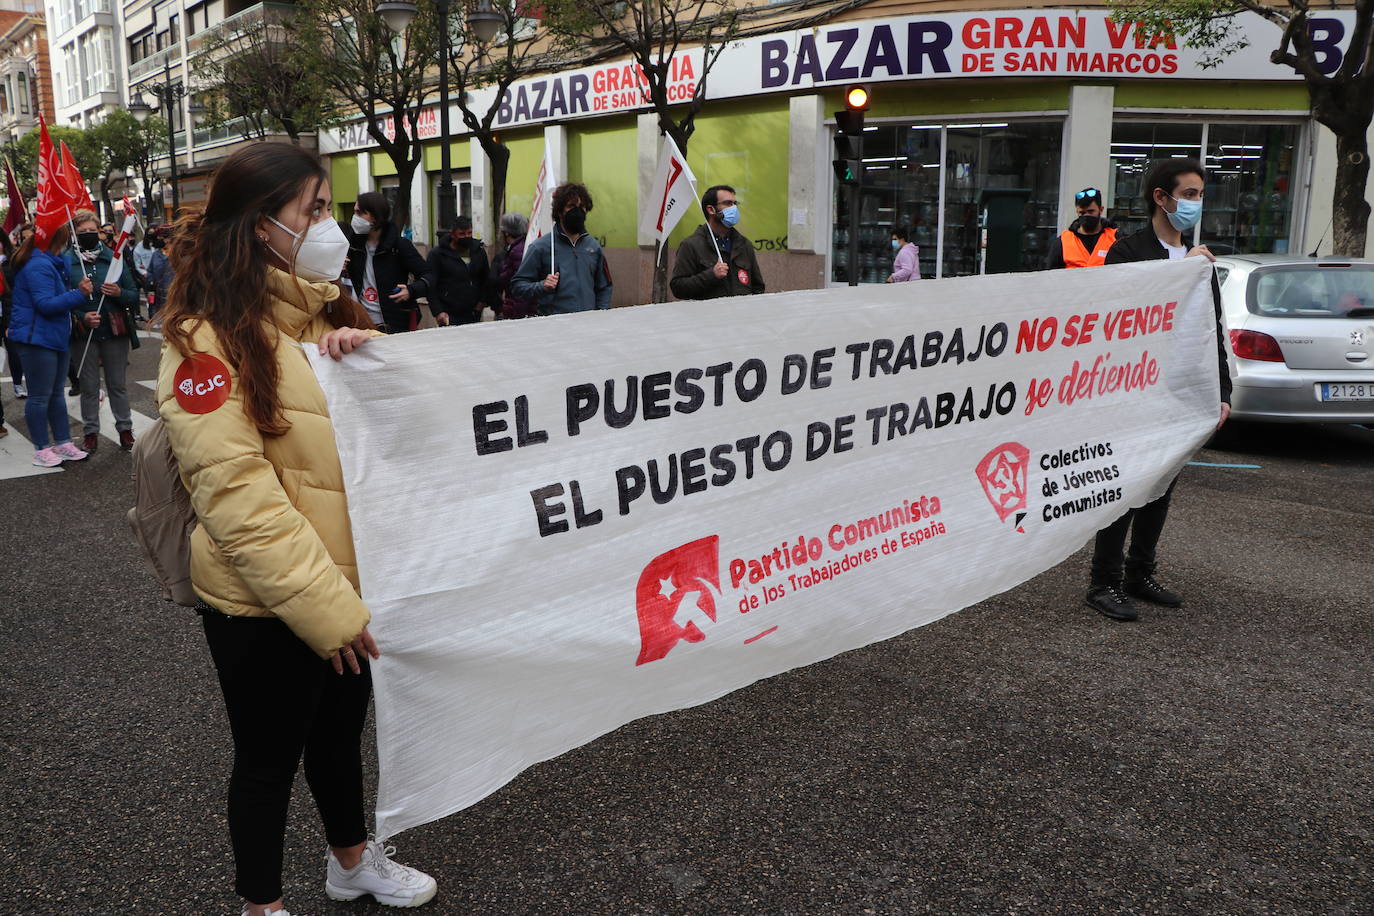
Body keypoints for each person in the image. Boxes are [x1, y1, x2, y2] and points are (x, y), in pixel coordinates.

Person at [157, 144, 437, 916]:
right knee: (267, 761)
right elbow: (236, 499)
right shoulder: (201, 343)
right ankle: (263, 904)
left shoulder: (325, 311)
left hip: (347, 583)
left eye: (329, 208)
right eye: (313, 210)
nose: (331, 226)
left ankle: (351, 864)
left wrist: (369, 357)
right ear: (261, 227)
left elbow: (405, 429)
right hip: (264, 602)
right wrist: (325, 608)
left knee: (339, 739)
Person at [1086, 158, 1232, 623]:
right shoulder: (1128, 252)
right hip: (1133, 391)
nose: (1195, 203)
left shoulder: (1199, 260)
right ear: (1160, 197)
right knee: (1126, 486)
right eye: (1188, 194)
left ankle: (1139, 572)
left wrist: (1222, 390)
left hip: (1180, 391)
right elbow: (1120, 318)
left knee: (1161, 486)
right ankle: (1103, 581)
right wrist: (1178, 275)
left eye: (1199, 195)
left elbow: (1211, 329)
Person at [8, 222, 93, 466]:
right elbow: (45, 304)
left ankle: (63, 442)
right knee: (39, 396)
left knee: (56, 394)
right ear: (59, 240)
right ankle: (41, 448)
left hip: (53, 336)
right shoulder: (39, 265)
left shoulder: (50, 263)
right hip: (37, 338)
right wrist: (79, 294)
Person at [67, 209, 141, 452]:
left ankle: (125, 430)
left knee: (117, 384)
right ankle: (90, 433)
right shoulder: (66, 261)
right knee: (88, 386)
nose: (88, 234)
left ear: (99, 232)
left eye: (92, 230)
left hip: (114, 330)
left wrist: (119, 293)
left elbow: (133, 294)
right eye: (83, 231)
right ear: (74, 234)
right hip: (83, 334)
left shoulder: (114, 258)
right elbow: (60, 299)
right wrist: (82, 316)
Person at [509, 182, 613, 315]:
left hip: (588, 323)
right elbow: (518, 286)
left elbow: (605, 286)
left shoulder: (593, 247)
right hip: (555, 323)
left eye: (582, 207)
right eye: (571, 206)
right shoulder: (540, 247)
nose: (578, 211)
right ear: (559, 211)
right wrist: (541, 286)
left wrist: (601, 313)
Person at [342, 191, 432, 333]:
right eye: (355, 212)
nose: (355, 218)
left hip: (394, 324)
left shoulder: (399, 246)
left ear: (376, 216)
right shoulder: (352, 245)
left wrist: (411, 290)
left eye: (360, 213)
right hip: (360, 323)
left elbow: (429, 275)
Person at [670, 185, 766, 299]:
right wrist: (711, 275)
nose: (734, 208)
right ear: (711, 209)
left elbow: (758, 287)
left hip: (741, 310)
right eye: (728, 203)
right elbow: (678, 288)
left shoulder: (744, 245)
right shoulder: (691, 245)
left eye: (735, 203)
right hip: (710, 310)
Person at [425, 215, 489, 326]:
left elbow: (486, 278)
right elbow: (430, 285)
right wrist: (438, 312)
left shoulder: (478, 251)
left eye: (469, 233)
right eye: (462, 234)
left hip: (474, 312)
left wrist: (482, 302)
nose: (466, 237)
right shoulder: (437, 255)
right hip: (449, 314)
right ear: (453, 234)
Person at [1046, 187, 1118, 269]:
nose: (1086, 215)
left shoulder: (1114, 238)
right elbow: (1051, 274)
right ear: (1077, 212)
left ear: (1101, 210)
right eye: (1082, 212)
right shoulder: (1063, 241)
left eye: (1091, 211)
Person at [496, 212, 536, 319]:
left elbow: (519, 282)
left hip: (518, 308)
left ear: (506, 233)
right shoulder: (523, 246)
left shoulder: (517, 251)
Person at [146, 229, 173, 322]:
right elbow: (150, 270)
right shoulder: (156, 254)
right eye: (158, 237)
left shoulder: (177, 254)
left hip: (172, 292)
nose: (159, 239)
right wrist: (151, 281)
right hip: (158, 291)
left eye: (162, 237)